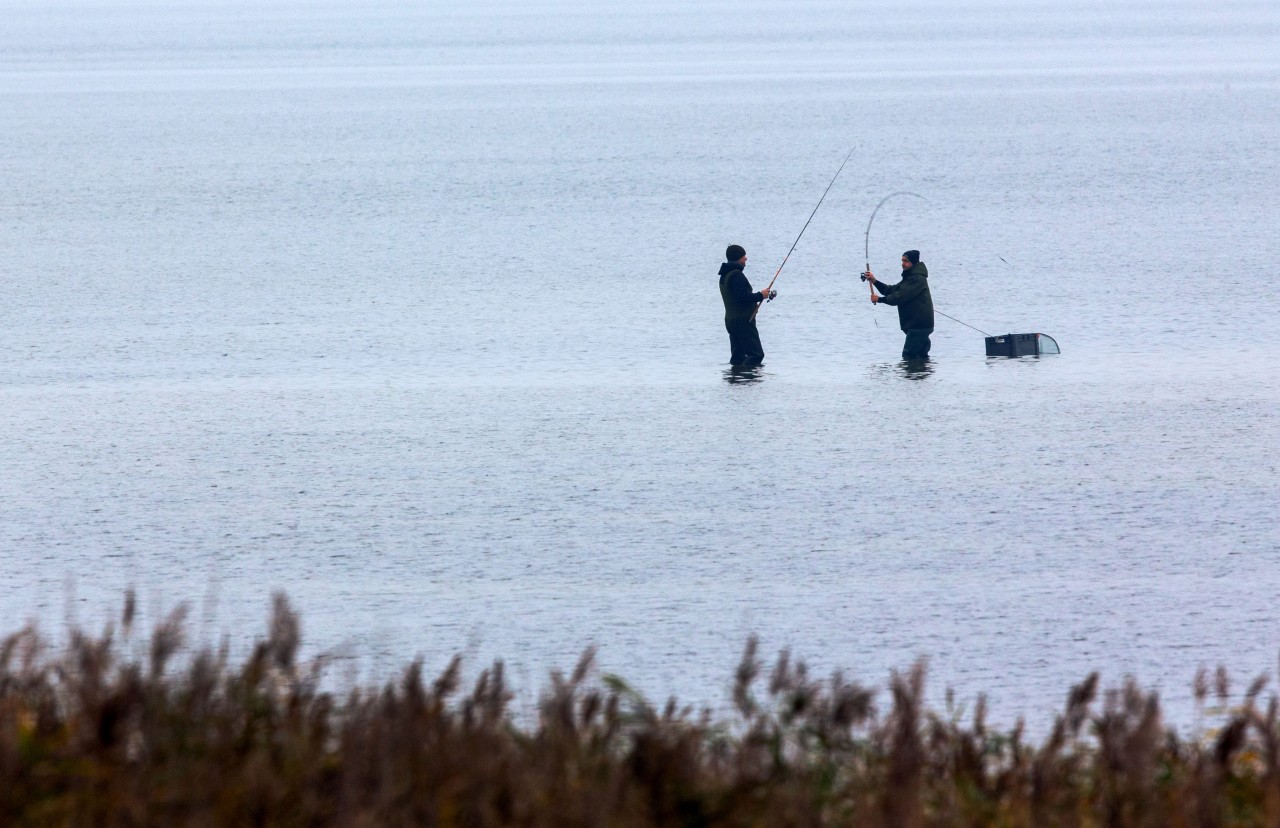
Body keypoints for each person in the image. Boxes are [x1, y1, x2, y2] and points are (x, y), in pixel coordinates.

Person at [863, 249, 934, 359]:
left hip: (919, 326)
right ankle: (922, 375)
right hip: (918, 326)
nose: (903, 264)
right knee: (920, 357)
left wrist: (880, 299)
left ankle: (912, 376)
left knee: (908, 356)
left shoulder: (917, 279)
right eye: (902, 260)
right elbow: (892, 290)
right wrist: (875, 281)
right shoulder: (910, 277)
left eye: (906, 261)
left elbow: (898, 297)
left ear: (913, 262)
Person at [718, 244, 774, 366]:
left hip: (731, 321)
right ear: (738, 257)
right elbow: (743, 297)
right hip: (743, 321)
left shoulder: (724, 275)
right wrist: (761, 295)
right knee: (756, 355)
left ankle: (736, 381)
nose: (746, 258)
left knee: (737, 357)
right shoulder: (736, 275)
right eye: (744, 256)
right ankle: (749, 383)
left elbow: (737, 297)